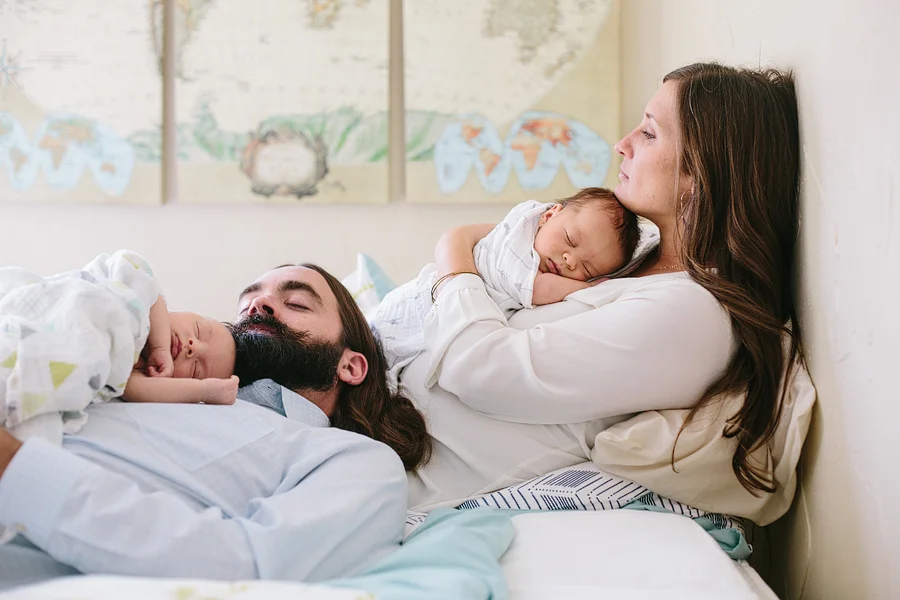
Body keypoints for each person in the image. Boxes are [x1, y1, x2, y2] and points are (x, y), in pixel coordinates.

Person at [401, 62, 802, 512]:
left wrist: (453, 260)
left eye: (649, 134)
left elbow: (480, 371)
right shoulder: (638, 256)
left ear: (700, 176)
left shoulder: (689, 315)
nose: (622, 144)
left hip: (402, 457)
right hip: (381, 404)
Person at [0, 263, 430, 591]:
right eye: (247, 302)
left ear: (350, 365)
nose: (259, 305)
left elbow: (250, 567)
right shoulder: (152, 373)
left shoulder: (358, 460)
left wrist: (16, 468)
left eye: (297, 303)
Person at [370, 188, 640, 372]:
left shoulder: (529, 233)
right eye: (570, 240)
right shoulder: (516, 246)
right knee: (375, 348)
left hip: (433, 314)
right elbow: (539, 290)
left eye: (587, 268)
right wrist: (588, 286)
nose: (570, 260)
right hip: (417, 304)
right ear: (548, 216)